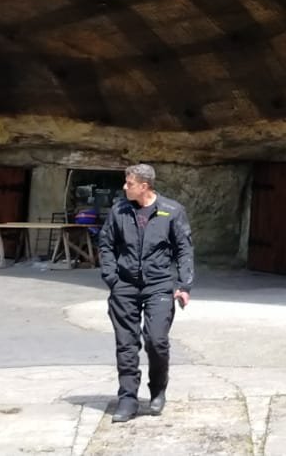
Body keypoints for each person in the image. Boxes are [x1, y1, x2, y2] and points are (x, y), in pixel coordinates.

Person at [97, 163, 195, 423]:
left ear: (144, 186)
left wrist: (184, 285)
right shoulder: (119, 210)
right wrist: (112, 278)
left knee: (156, 340)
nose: (124, 187)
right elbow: (106, 244)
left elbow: (184, 249)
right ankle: (127, 399)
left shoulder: (171, 211)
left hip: (159, 285)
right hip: (124, 286)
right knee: (126, 344)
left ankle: (158, 389)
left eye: (129, 183)